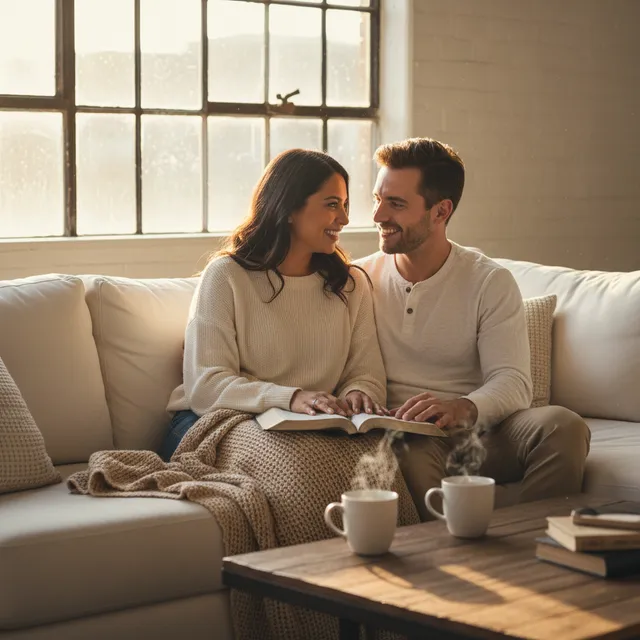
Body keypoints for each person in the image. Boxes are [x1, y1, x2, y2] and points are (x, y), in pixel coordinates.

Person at [356, 137, 591, 520]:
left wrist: (464, 407)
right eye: (377, 199)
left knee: (562, 426)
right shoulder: (360, 278)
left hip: (485, 432)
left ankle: (532, 536)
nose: (378, 215)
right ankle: (463, 555)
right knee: (407, 450)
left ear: (440, 211)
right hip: (415, 437)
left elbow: (513, 382)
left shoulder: (488, 281)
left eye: (396, 204)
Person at [160, 149, 387, 461]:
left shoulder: (349, 286)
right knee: (289, 464)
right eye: (332, 205)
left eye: (346, 205)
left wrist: (358, 393)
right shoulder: (226, 275)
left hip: (303, 425)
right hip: (211, 420)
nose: (345, 219)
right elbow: (205, 386)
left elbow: (366, 371)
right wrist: (290, 398)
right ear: (289, 207)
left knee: (376, 463)